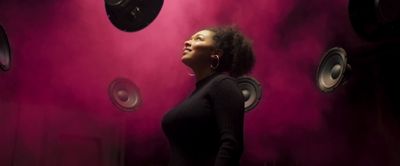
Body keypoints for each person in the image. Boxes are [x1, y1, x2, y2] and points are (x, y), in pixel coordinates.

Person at [161, 26, 255, 166]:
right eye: (189, 38)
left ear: (215, 53)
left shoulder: (223, 84)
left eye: (198, 39)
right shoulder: (197, 93)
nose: (187, 42)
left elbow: (231, 145)